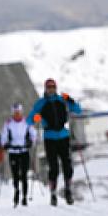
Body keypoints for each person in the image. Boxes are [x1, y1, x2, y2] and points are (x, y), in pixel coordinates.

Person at [27, 78, 82, 206]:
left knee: (67, 165)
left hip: (63, 135)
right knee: (54, 167)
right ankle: (53, 194)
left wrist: (70, 100)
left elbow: (78, 110)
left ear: (55, 88)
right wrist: (35, 118)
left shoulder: (62, 99)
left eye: (53, 87)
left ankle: (68, 190)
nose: (51, 89)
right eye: (49, 87)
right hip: (50, 137)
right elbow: (29, 120)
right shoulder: (40, 103)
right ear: (45, 88)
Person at [0, 103, 37, 207]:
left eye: (19, 112)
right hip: (13, 152)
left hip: (24, 151)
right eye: (15, 113)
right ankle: (16, 193)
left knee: (24, 175)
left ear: (21, 112)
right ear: (12, 113)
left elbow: (33, 134)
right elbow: (3, 136)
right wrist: (4, 144)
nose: (17, 114)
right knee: (15, 175)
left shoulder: (27, 122)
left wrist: (31, 141)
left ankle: (24, 197)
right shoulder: (8, 123)